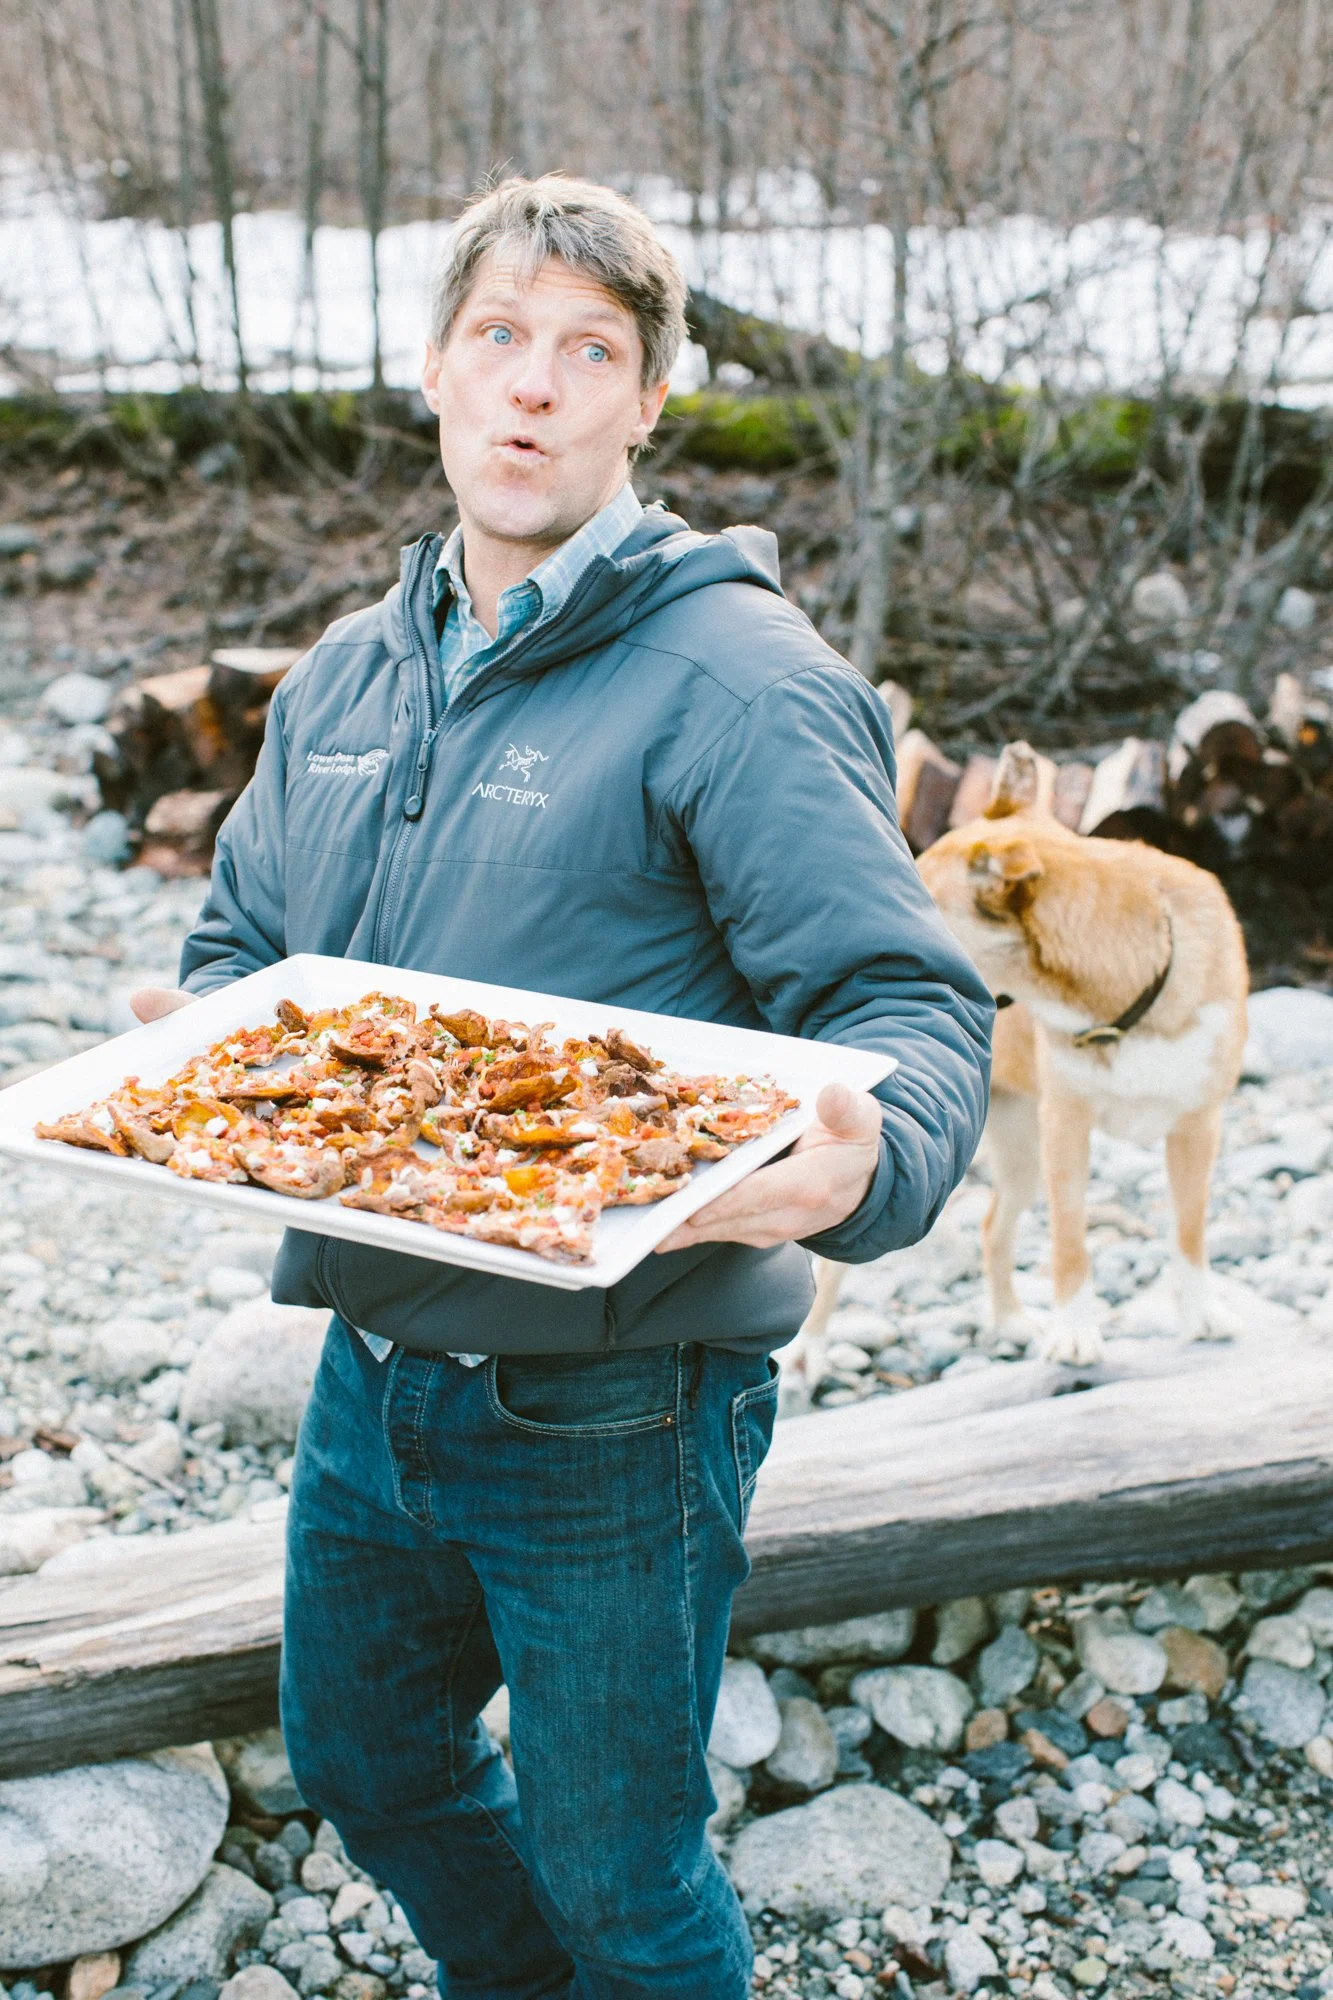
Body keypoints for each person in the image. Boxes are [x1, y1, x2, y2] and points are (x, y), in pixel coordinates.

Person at [132, 175, 992, 2000]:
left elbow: (908, 1003)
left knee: (625, 1880)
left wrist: (865, 1162)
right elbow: (241, 950)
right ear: (436, 367)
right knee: (370, 1768)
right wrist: (197, 1052)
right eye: (502, 336)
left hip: (618, 1402)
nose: (535, 385)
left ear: (649, 399)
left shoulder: (740, 681)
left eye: (590, 351)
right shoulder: (347, 680)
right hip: (370, 1371)